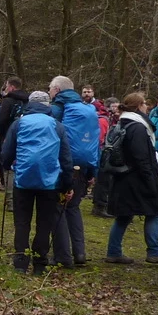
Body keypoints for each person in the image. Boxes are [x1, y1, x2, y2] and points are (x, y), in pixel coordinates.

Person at [0, 90, 73, 275]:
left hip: (23, 180)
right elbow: (65, 158)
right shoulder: (57, 126)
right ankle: (39, 264)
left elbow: (7, 151)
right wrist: (67, 185)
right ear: (48, 105)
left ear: (29, 104)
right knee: (44, 223)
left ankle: (20, 263)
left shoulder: (19, 123)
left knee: (22, 222)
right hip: (49, 182)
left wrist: (6, 165)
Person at [104, 91, 158, 266]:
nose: (146, 107)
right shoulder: (138, 127)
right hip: (137, 178)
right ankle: (154, 252)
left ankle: (114, 251)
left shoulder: (122, 124)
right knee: (154, 211)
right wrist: (152, 182)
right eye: (144, 104)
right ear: (138, 107)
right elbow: (142, 157)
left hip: (124, 177)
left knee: (124, 215)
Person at [49, 75, 100, 268]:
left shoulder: (58, 109)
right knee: (74, 208)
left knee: (58, 209)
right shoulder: (89, 110)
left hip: (64, 166)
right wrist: (92, 170)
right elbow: (95, 142)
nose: (49, 92)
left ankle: (61, 255)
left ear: (58, 90)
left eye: (50, 88)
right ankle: (79, 252)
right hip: (85, 165)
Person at [0, 76, 30, 190]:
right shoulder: (27, 100)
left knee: (4, 158)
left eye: (7, 86)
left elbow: (2, 119)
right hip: (24, 134)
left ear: (12, 87)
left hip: (6, 134)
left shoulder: (8, 101)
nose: (6, 88)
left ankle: (5, 183)